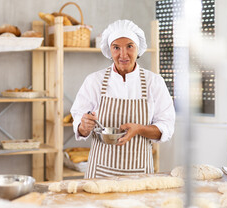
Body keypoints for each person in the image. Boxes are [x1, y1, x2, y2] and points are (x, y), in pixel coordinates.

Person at [70, 20, 175, 178]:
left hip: (140, 175)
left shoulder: (154, 82)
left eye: (129, 46)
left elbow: (166, 126)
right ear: (110, 50)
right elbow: (79, 119)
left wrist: (139, 129)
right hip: (100, 174)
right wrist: (83, 126)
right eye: (116, 47)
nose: (123, 54)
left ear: (138, 48)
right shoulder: (94, 81)